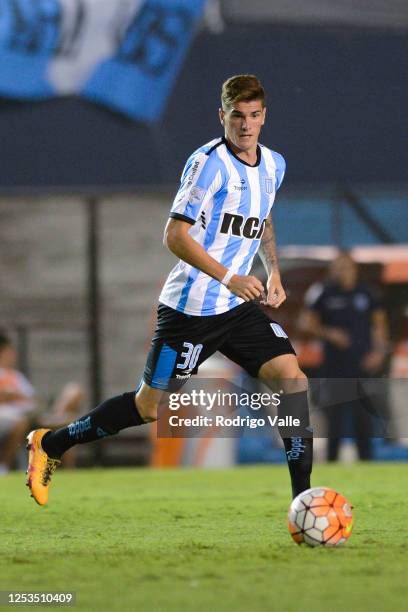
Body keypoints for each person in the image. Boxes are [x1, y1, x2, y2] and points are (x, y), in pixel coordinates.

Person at [26, 74, 313, 505]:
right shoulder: (208, 163)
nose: (246, 125)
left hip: (235, 308)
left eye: (254, 116)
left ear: (264, 116)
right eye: (237, 116)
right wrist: (230, 277)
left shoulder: (275, 165)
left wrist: (273, 271)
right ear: (223, 115)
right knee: (146, 408)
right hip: (190, 310)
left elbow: (264, 217)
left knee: (292, 379)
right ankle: (52, 444)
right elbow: (174, 236)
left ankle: (303, 499)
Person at [301, 251, 390, 460]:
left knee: (363, 418)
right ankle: (332, 461)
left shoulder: (367, 293)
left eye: (346, 266)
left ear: (354, 269)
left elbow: (379, 325)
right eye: (338, 267)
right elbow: (306, 322)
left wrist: (379, 352)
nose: (342, 271)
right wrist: (329, 333)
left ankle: (366, 461)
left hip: (362, 364)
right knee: (334, 417)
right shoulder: (324, 292)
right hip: (334, 366)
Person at [0, 332, 36, 473]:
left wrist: (15, 395)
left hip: (21, 414)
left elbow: (32, 398)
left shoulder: (17, 376)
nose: (13, 355)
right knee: (20, 423)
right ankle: (4, 466)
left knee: (24, 422)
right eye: (9, 352)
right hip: (4, 414)